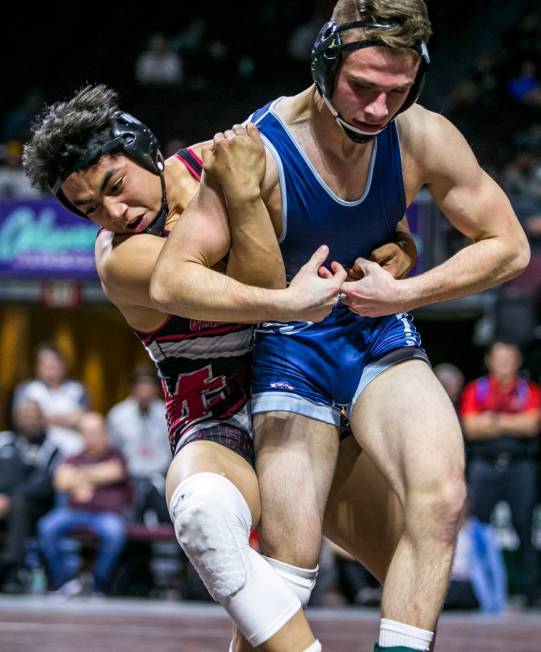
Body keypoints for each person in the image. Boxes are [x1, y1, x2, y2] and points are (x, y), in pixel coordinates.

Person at [150, 1, 530, 650]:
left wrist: (405, 289)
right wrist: (282, 305)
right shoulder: (259, 147)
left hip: (376, 333)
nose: (379, 110)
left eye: (397, 91)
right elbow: (171, 278)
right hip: (289, 351)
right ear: (325, 66)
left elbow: (508, 246)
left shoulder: (419, 135)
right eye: (362, 88)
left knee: (440, 499)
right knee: (287, 569)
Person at [23, 84, 414, 651]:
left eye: (115, 187)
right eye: (90, 210)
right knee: (203, 513)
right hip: (219, 419)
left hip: (311, 400)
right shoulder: (121, 259)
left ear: (143, 150)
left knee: (413, 560)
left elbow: (348, 199)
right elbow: (261, 286)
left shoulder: (220, 156)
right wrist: (245, 197)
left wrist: (398, 243)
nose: (115, 213)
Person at [460, 340, 541, 606]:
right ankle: (481, 591)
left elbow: (531, 425)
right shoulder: (477, 389)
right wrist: (511, 422)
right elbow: (470, 427)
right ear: (490, 361)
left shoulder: (528, 390)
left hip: (520, 466)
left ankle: (531, 593)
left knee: (524, 526)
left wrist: (491, 420)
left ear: (517, 361)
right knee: (478, 528)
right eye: (499, 358)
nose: (504, 363)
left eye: (509, 358)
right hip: (485, 465)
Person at [38, 412, 132, 596]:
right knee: (47, 526)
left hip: (106, 514)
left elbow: (114, 472)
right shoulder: (74, 456)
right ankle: (64, 581)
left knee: (114, 531)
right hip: (75, 512)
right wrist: (97, 475)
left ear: (105, 434)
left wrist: (78, 476)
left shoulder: (116, 455)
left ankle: (98, 582)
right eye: (87, 432)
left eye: (95, 432)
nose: (91, 437)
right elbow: (60, 482)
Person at [0, 399, 60, 593]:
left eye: (34, 416)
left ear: (42, 419)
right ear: (16, 418)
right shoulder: (4, 441)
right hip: (3, 500)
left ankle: (11, 572)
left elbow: (43, 485)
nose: (30, 420)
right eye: (25, 415)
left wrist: (8, 499)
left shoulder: (51, 448)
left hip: (37, 505)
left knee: (19, 505)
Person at [107, 369, 171, 523]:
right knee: (130, 522)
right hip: (130, 480)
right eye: (140, 386)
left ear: (156, 388)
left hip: (161, 478)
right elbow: (113, 450)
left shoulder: (168, 413)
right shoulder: (118, 415)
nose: (145, 391)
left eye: (149, 386)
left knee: (167, 524)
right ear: (133, 388)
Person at [14, 342, 89, 456]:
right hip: (36, 451)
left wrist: (41, 418)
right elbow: (21, 421)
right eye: (45, 363)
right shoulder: (27, 389)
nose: (50, 366)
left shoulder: (77, 389)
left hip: (72, 452)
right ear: (37, 367)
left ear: (63, 365)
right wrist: (67, 418)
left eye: (54, 362)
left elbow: (83, 420)